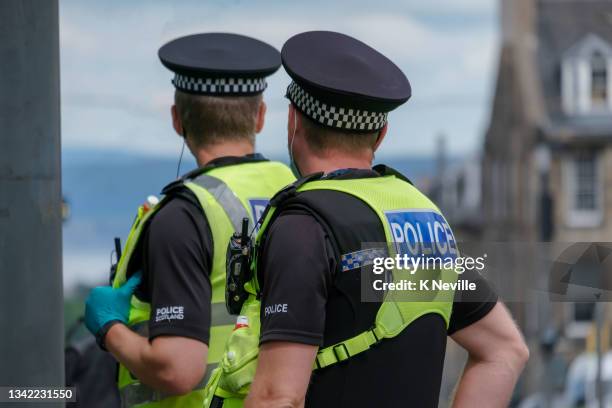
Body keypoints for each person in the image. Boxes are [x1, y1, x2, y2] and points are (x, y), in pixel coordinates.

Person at [242, 31, 530, 407]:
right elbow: (505, 349)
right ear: (380, 134)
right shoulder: (424, 219)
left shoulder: (303, 226)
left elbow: (277, 397)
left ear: (293, 121)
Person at [83, 33, 295, 408]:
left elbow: (176, 370)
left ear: (177, 119)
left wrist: (109, 329)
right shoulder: (295, 191)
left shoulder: (183, 215)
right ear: (261, 116)